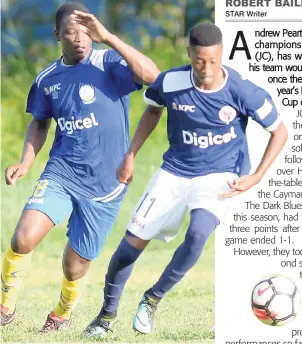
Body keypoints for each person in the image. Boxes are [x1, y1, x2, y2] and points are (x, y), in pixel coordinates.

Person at [83, 23, 288, 338]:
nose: (206, 69)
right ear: (189, 54)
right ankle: (105, 317)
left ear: (221, 56)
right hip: (174, 173)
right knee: (129, 248)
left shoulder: (241, 90)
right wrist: (131, 154)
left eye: (213, 62)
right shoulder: (171, 81)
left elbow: (280, 131)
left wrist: (257, 177)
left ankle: (152, 298)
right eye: (199, 61)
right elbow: (152, 111)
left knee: (197, 235)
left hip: (221, 175)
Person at [1, 2, 159, 332]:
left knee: (74, 267)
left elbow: (152, 77)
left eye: (86, 31)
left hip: (106, 185)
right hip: (62, 173)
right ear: (58, 35)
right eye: (71, 32)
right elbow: (40, 123)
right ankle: (4, 307)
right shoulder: (48, 78)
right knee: (23, 238)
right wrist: (26, 161)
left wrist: (110, 37)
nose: (79, 38)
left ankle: (60, 314)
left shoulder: (111, 62)